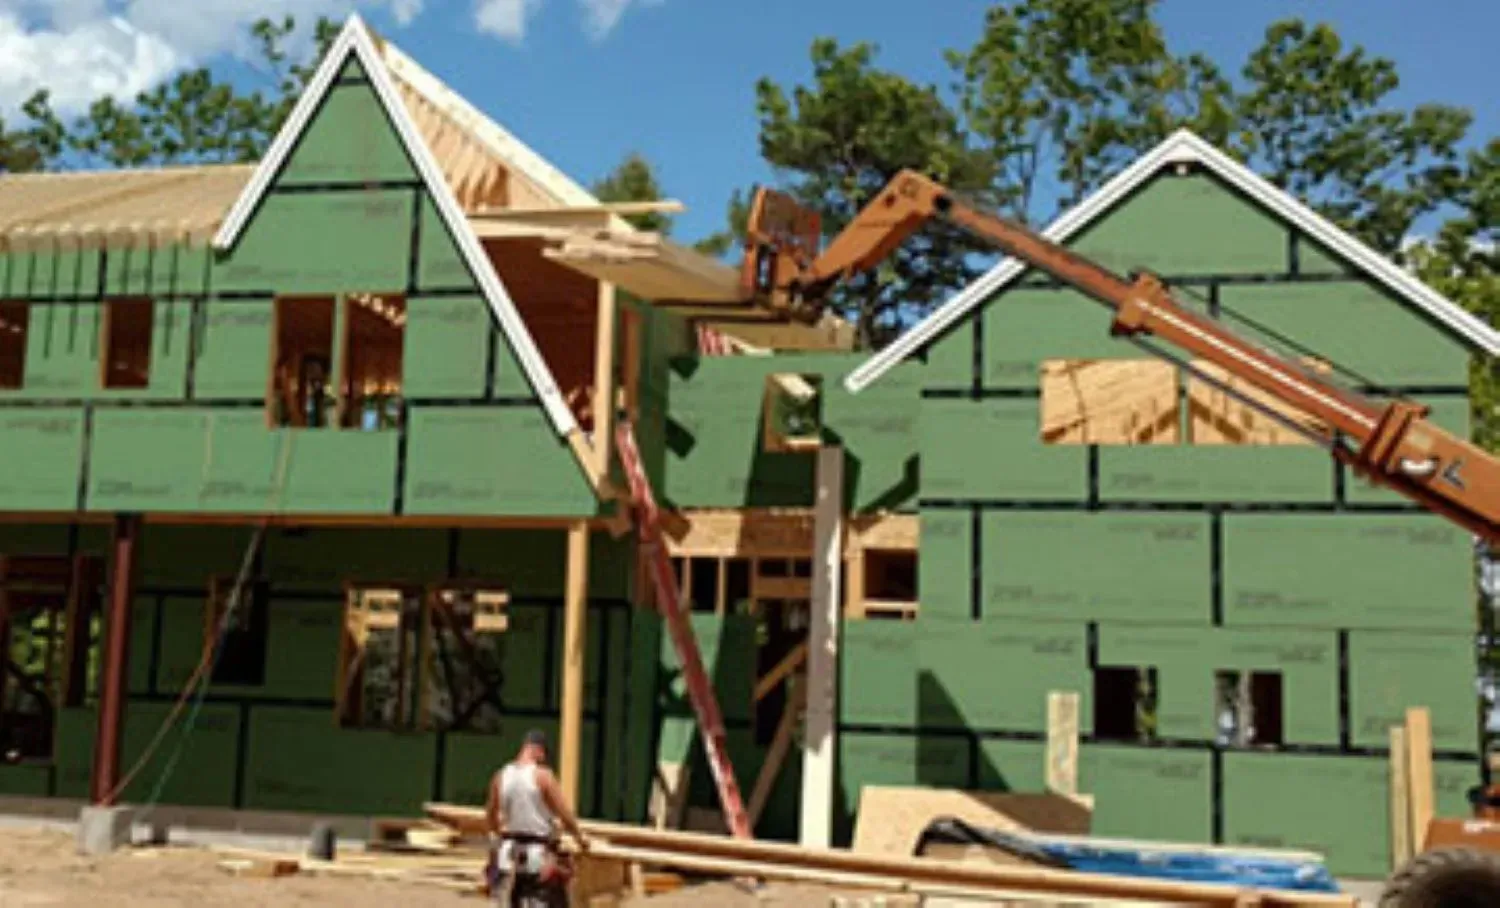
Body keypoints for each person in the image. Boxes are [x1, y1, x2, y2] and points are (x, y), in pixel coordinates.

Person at [485, 730, 588, 907]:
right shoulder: (543, 776)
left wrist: (499, 835)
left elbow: (490, 815)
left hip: (508, 855)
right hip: (538, 855)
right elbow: (564, 813)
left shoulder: (500, 776)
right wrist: (580, 837)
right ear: (539, 751)